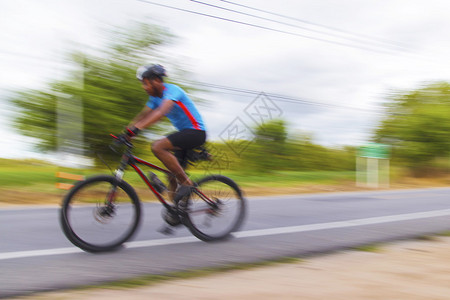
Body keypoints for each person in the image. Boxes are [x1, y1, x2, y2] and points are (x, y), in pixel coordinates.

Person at [122, 64, 206, 206]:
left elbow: (161, 113)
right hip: (184, 134)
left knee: (158, 146)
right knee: (171, 175)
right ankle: (176, 210)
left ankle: (187, 183)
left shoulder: (172, 91)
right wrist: (127, 133)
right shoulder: (154, 98)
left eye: (145, 83)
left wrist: (136, 130)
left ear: (155, 80)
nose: (144, 87)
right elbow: (143, 115)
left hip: (196, 132)